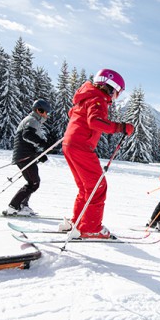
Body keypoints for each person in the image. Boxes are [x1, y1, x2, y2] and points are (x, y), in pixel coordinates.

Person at [59, 69, 134, 239]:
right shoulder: (98, 98)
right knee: (98, 187)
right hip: (81, 147)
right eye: (117, 92)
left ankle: (77, 223)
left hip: (69, 144)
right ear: (111, 87)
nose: (116, 96)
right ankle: (91, 228)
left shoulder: (86, 96)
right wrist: (121, 127)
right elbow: (95, 122)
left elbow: (73, 114)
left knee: (86, 187)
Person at [3, 99, 51, 217]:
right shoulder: (32, 120)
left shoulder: (34, 121)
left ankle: (23, 206)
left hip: (26, 155)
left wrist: (40, 155)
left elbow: (30, 141)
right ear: (39, 110)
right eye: (46, 112)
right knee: (33, 183)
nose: (47, 115)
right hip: (25, 156)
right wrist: (42, 143)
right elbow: (27, 135)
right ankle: (13, 207)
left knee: (32, 182)